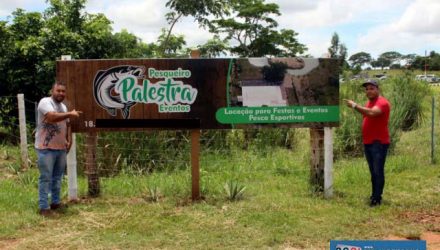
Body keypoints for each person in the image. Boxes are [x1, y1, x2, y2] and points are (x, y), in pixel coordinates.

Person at [35, 81, 82, 216]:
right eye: (58, 91)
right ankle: (44, 207)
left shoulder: (63, 106)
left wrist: (69, 139)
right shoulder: (45, 102)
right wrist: (70, 114)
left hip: (60, 148)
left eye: (63, 91)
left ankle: (55, 202)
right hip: (46, 147)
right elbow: (51, 117)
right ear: (52, 91)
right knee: (45, 177)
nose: (61, 93)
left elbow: (67, 125)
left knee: (57, 177)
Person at [344, 79, 390, 207]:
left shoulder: (382, 103)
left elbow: (371, 113)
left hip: (378, 142)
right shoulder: (370, 102)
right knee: (373, 171)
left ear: (377, 89)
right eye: (367, 89)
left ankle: (377, 198)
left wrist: (354, 105)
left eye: (371, 88)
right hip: (369, 142)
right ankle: (374, 195)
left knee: (377, 171)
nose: (369, 91)